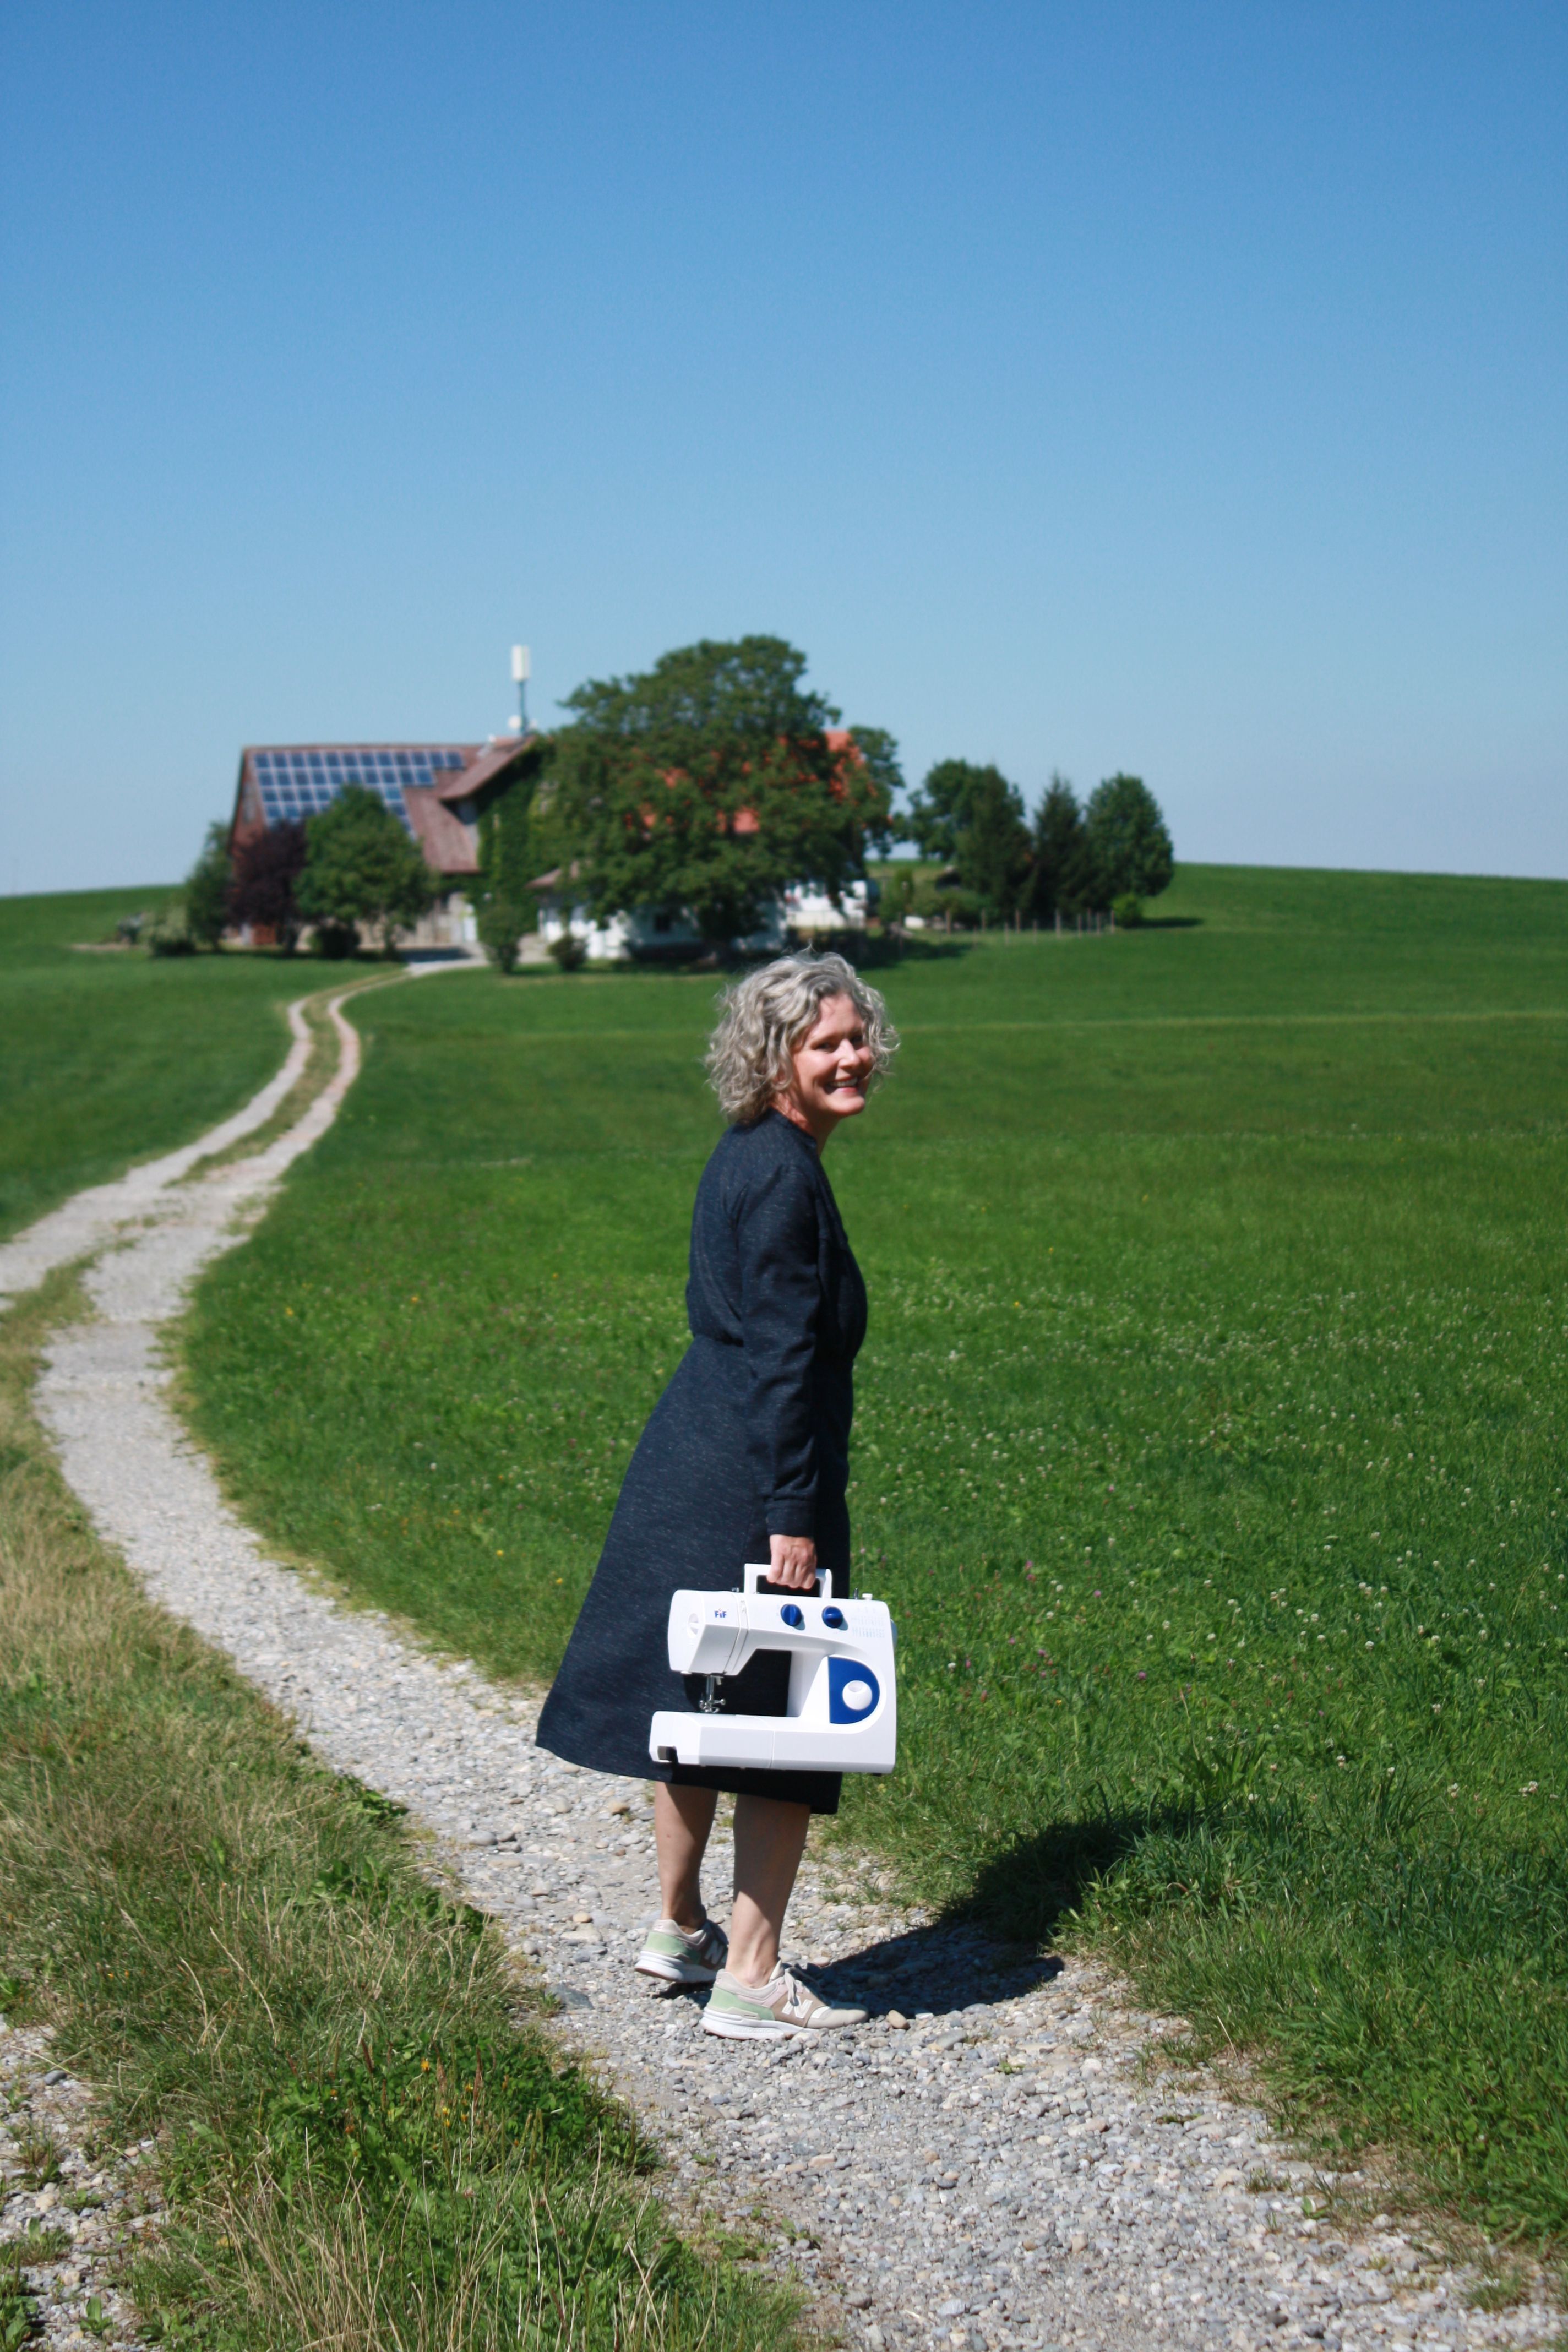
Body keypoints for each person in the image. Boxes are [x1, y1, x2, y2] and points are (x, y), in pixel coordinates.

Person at [536, 951, 897, 2039]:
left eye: (857, 1037)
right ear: (776, 1058)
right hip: (752, 1476)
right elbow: (786, 1358)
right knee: (784, 1728)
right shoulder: (784, 1174)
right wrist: (793, 1514)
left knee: (700, 1705)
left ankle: (679, 1926)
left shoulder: (746, 1152)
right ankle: (751, 1975)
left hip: (694, 1452)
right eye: (826, 1043)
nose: (852, 1057)